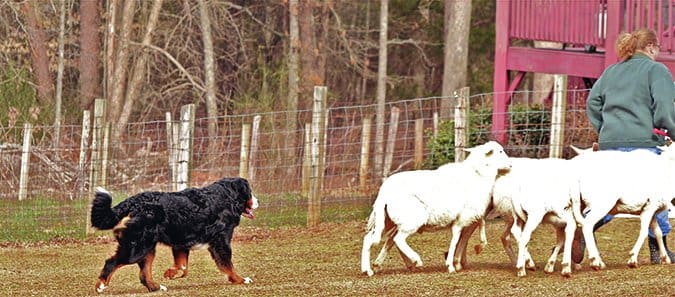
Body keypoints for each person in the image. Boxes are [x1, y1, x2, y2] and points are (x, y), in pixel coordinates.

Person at [577, 28, 675, 265]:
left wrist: (604, 130)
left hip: (610, 144)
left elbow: (593, 102)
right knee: (656, 194)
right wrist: (670, 130)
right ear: (651, 46)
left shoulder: (611, 71)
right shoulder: (656, 70)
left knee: (610, 194)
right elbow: (664, 106)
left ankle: (584, 227)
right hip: (643, 144)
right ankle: (657, 248)